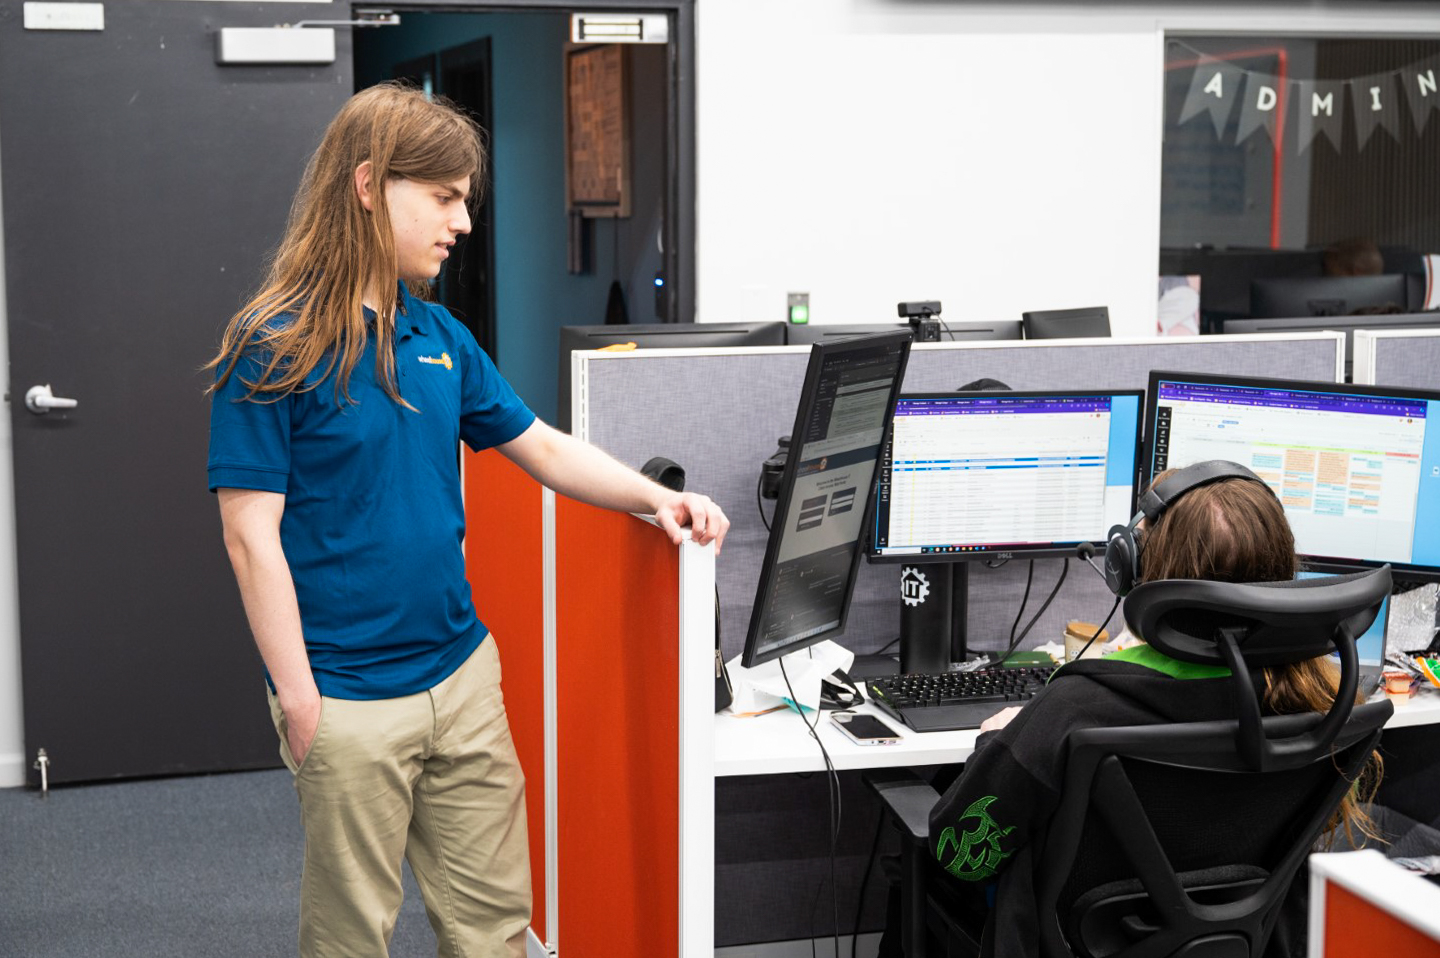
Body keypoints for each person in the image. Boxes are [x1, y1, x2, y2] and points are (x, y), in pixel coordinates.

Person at [206, 82, 729, 958]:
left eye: (464, 201)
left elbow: (545, 449)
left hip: (460, 677)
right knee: (351, 938)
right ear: (371, 185)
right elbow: (249, 535)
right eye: (444, 199)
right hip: (346, 694)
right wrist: (301, 700)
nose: (462, 223)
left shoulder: (440, 333)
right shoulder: (273, 344)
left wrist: (658, 499)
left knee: (494, 927)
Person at [911, 469, 1380, 958]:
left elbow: (959, 855)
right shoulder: (1318, 697)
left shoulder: (1075, 707)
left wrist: (996, 741)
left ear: (1137, 568)